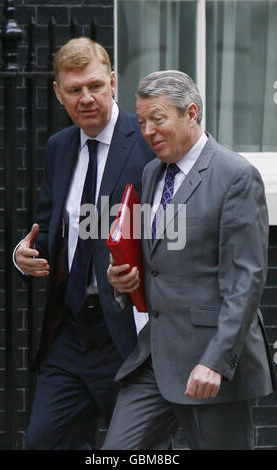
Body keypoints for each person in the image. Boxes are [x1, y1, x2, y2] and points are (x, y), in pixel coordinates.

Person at [103, 70, 277, 450]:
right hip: (155, 356)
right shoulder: (152, 174)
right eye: (143, 120)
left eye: (158, 119)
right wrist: (123, 282)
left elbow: (245, 282)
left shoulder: (236, 176)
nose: (148, 131)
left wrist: (216, 360)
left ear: (191, 113)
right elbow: (156, 258)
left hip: (209, 361)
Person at [13, 37, 155, 450]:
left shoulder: (147, 142)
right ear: (59, 93)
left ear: (113, 82)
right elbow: (45, 224)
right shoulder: (59, 148)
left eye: (95, 86)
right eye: (75, 90)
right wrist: (25, 256)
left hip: (127, 336)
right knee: (42, 441)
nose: (86, 98)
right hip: (69, 333)